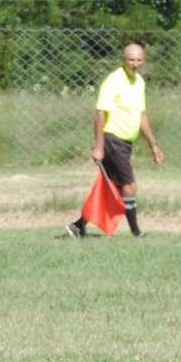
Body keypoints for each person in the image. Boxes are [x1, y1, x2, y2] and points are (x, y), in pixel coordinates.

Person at [66, 43, 164, 238]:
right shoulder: (113, 81)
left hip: (126, 143)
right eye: (131, 60)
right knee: (129, 186)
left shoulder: (139, 82)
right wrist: (99, 147)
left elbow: (142, 115)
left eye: (139, 60)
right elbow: (100, 114)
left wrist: (154, 145)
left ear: (143, 61)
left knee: (111, 187)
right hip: (112, 140)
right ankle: (136, 232)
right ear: (123, 59)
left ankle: (78, 225)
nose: (135, 64)